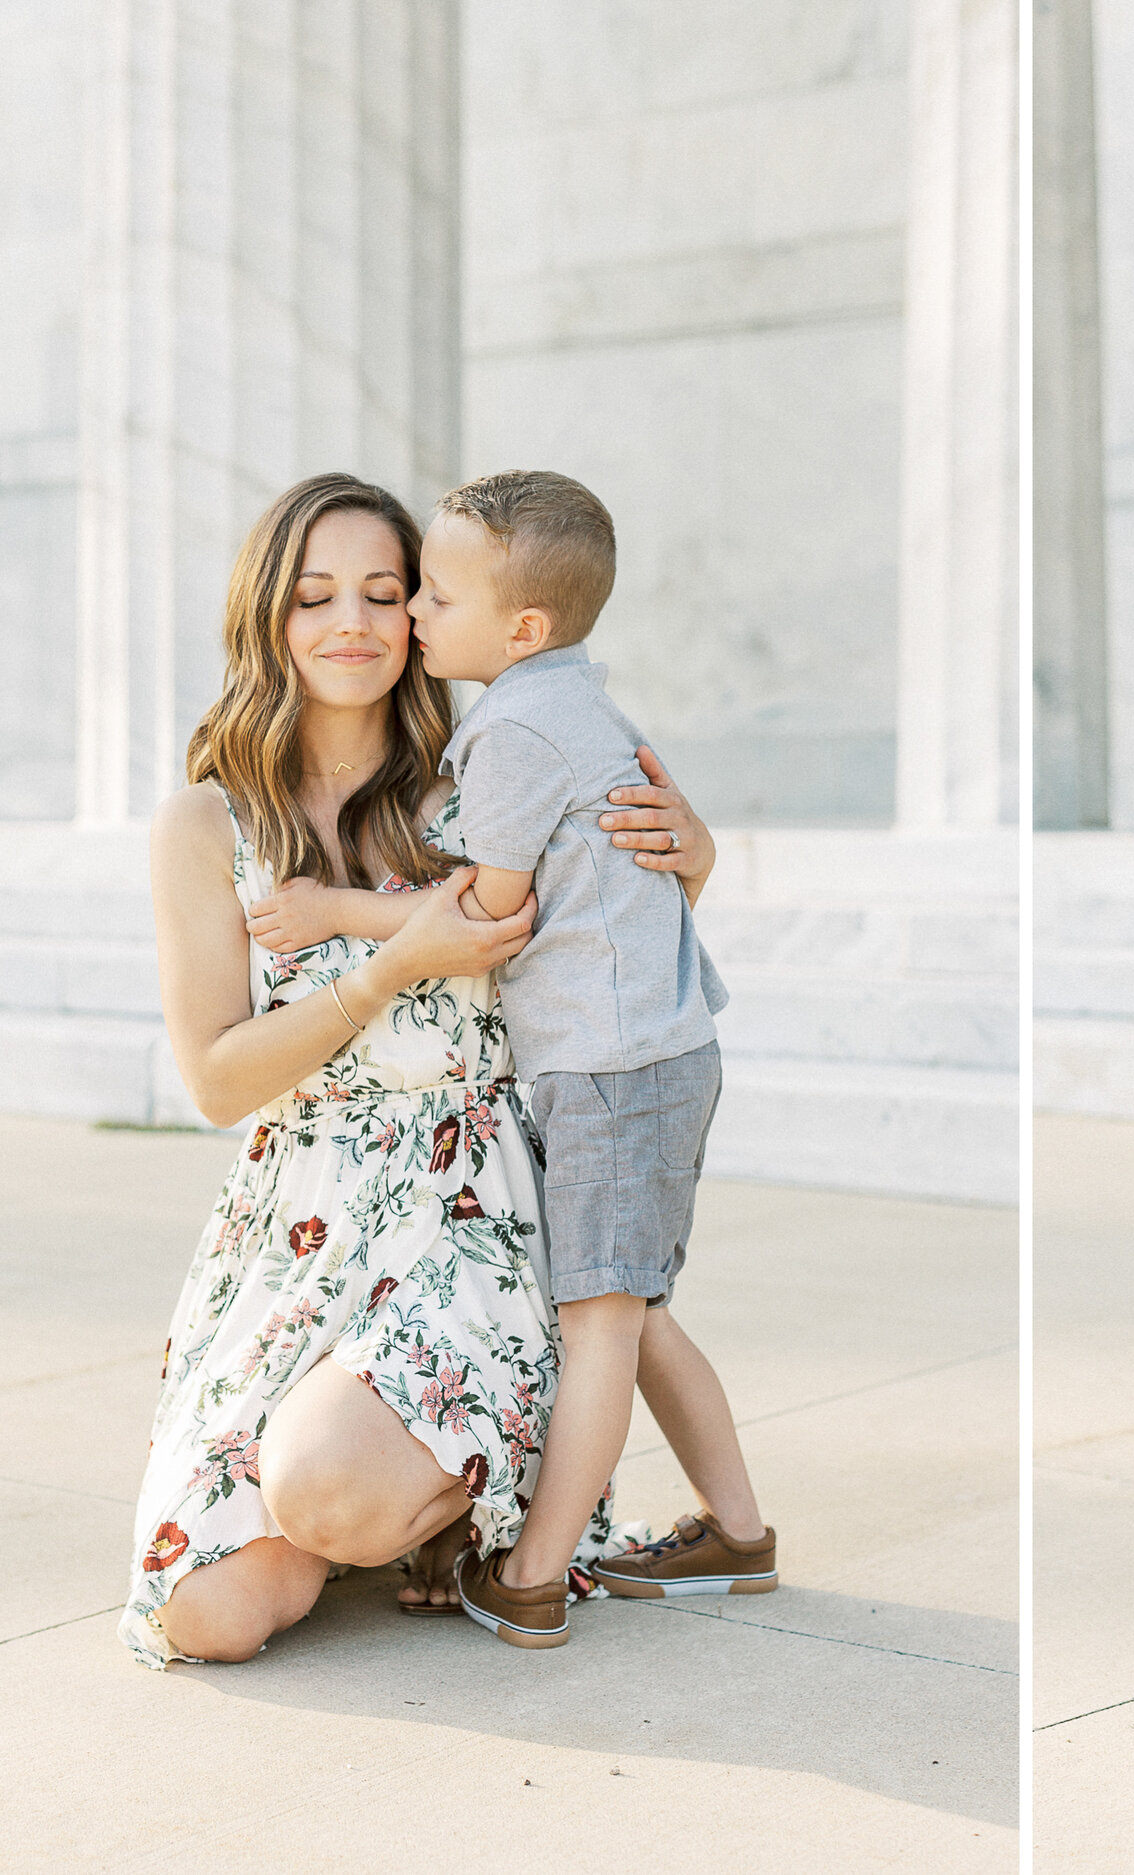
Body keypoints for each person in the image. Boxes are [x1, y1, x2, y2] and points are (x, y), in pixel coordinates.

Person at [125, 471, 714, 1667]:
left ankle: (439, 1504)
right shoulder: (208, 824)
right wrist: (389, 968)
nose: (351, 623)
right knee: (206, 1622)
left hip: (468, 1206)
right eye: (315, 596)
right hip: (293, 1220)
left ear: (428, 614)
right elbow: (220, 1082)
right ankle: (413, 1502)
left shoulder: (495, 764)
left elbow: (617, 929)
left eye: (386, 593)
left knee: (328, 1491)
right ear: (266, 618)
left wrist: (695, 860)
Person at [404, 468, 773, 1650]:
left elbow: (486, 913)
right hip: (631, 1055)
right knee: (637, 1308)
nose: (411, 609)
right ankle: (740, 1536)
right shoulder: (573, 701)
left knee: (601, 1320)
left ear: (522, 629)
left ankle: (534, 1574)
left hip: (614, 1066)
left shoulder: (513, 725)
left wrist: (328, 908)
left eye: (433, 592)